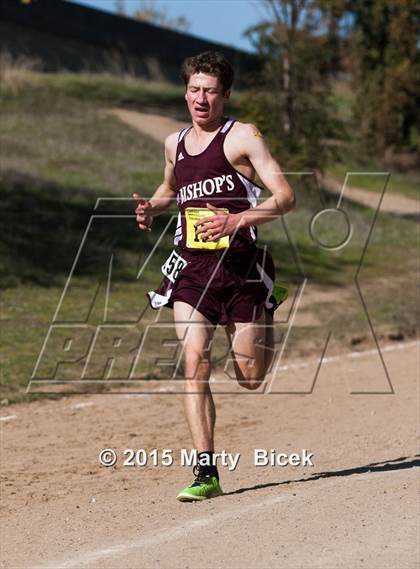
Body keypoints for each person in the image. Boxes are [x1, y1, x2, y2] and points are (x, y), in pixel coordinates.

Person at [133, 51, 295, 502]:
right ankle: (206, 470)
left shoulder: (242, 138)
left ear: (224, 96)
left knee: (249, 377)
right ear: (185, 91)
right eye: (193, 90)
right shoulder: (175, 143)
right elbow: (171, 187)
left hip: (240, 268)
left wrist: (236, 221)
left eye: (210, 91)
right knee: (194, 360)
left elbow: (285, 196)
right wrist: (153, 206)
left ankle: (267, 302)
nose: (200, 99)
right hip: (191, 268)